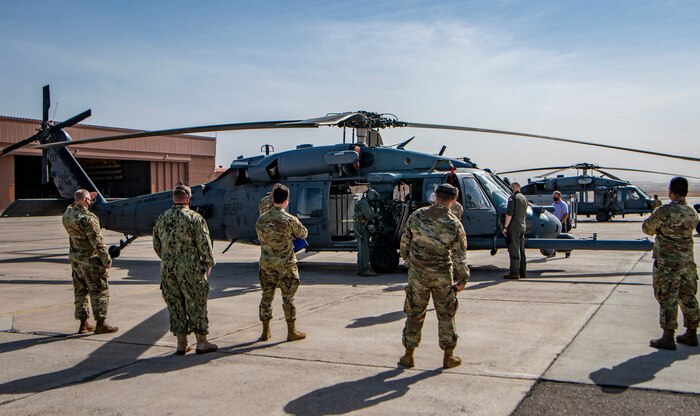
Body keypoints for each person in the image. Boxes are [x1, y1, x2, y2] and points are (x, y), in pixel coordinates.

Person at [398, 183, 470, 369]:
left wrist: (411, 262)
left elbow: (404, 243)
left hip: (418, 275)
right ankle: (448, 356)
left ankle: (408, 355)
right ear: (454, 200)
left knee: (414, 313)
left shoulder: (417, 215)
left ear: (435, 195)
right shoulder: (454, 223)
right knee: (446, 315)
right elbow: (459, 257)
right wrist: (462, 280)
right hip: (442, 277)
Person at [153, 183, 218, 355]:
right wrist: (208, 263)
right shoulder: (195, 218)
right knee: (196, 303)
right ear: (188, 198)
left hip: (167, 270)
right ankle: (202, 342)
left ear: (173, 198)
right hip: (190, 269)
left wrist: (169, 260)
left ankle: (181, 344)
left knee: (175, 305)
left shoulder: (162, 218)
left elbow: (157, 245)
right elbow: (204, 244)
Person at [642, 177, 699, 350]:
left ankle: (668, 336)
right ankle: (691, 333)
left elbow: (647, 228)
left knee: (667, 297)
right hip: (687, 262)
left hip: (668, 263)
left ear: (671, 191)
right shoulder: (692, 212)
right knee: (688, 296)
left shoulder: (664, 211)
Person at [256, 184, 309, 342]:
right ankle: (291, 332)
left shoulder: (261, 219)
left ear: (272, 199)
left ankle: (265, 331)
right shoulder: (289, 219)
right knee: (288, 299)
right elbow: (303, 233)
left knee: (266, 297)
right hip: (286, 265)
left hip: (266, 264)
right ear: (286, 201)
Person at [62, 189, 118, 335]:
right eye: (90, 200)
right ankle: (101, 324)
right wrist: (106, 259)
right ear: (87, 201)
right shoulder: (88, 219)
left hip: (76, 259)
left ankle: (83, 323)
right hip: (90, 261)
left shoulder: (68, 214)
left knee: (80, 291)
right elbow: (97, 242)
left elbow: (75, 202)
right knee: (99, 290)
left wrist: (86, 197)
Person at [503, 182, 528, 279]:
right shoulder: (524, 198)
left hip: (514, 226)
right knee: (522, 249)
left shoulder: (513, 198)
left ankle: (514, 273)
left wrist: (505, 227)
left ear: (513, 188)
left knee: (514, 249)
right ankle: (523, 271)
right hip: (522, 225)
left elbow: (509, 214)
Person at [353, 188, 380, 276]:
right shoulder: (364, 203)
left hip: (361, 226)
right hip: (361, 227)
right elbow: (369, 215)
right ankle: (365, 270)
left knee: (361, 248)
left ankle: (361, 269)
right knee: (364, 249)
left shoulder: (364, 202)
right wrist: (379, 214)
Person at [552, 191, 571, 258]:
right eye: (554, 196)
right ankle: (553, 252)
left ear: (559, 196)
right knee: (554, 237)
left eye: (556, 196)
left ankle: (567, 252)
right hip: (555, 223)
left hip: (562, 223)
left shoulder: (563, 204)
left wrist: (561, 221)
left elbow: (566, 214)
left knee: (564, 238)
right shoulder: (553, 204)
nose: (554, 197)